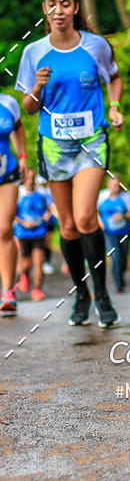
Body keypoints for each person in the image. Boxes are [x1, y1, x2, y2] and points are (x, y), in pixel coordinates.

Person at [16, 0, 125, 328]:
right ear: (44, 10)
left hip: (91, 141)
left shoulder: (95, 46)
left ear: (75, 7)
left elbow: (115, 77)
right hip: (54, 145)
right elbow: (28, 108)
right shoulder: (34, 52)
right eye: (52, 4)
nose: (59, 10)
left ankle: (102, 295)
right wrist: (36, 87)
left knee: (85, 218)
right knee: (66, 225)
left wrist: (115, 106)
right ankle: (81, 295)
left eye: (65, 3)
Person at [0, 93, 27, 315]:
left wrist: (23, 157)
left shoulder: (8, 102)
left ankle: (8, 291)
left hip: (6, 172)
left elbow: (18, 127)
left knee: (4, 229)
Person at [97, 172, 130, 293]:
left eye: (117, 185)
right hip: (108, 232)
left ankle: (121, 276)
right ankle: (119, 285)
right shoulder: (102, 195)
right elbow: (95, 210)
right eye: (113, 185)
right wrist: (100, 222)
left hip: (125, 231)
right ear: (108, 184)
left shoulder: (126, 196)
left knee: (123, 258)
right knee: (115, 256)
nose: (115, 187)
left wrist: (123, 215)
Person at [14, 169, 48, 301]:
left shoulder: (42, 193)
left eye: (32, 177)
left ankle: (37, 289)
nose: (30, 180)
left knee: (38, 262)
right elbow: (11, 213)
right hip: (22, 233)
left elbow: (49, 208)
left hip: (39, 232)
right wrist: (23, 222)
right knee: (25, 264)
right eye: (28, 177)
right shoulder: (19, 193)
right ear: (24, 179)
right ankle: (24, 274)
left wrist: (49, 214)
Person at [36, 174, 58, 274]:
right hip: (38, 222)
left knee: (47, 242)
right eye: (41, 184)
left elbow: (52, 206)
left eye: (44, 184)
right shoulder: (37, 192)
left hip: (49, 221)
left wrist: (49, 213)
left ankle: (46, 262)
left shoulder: (50, 192)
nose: (43, 186)